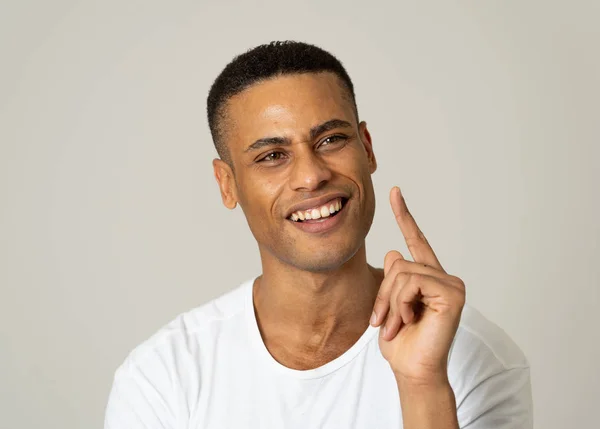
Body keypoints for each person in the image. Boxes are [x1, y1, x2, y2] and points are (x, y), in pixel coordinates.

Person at [104, 41, 533, 428]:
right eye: (273, 156)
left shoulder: (478, 361)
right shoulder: (162, 379)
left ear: (367, 148)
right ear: (227, 184)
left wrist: (422, 385)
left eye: (331, 139)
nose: (311, 176)